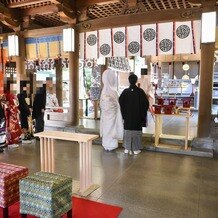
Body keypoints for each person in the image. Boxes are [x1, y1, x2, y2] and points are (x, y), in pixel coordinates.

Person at [119, 74, 149, 155]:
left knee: (127, 131)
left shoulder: (125, 92)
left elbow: (120, 103)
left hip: (128, 117)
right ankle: (135, 149)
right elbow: (146, 104)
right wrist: (142, 115)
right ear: (136, 81)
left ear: (129, 80)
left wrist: (124, 113)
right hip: (137, 117)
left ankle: (126, 148)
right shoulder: (140, 91)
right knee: (136, 132)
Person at [100, 68, 123, 151]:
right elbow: (116, 103)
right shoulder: (114, 91)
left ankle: (106, 144)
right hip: (112, 114)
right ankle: (111, 145)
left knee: (106, 128)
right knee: (112, 128)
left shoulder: (103, 91)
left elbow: (103, 104)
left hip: (106, 114)